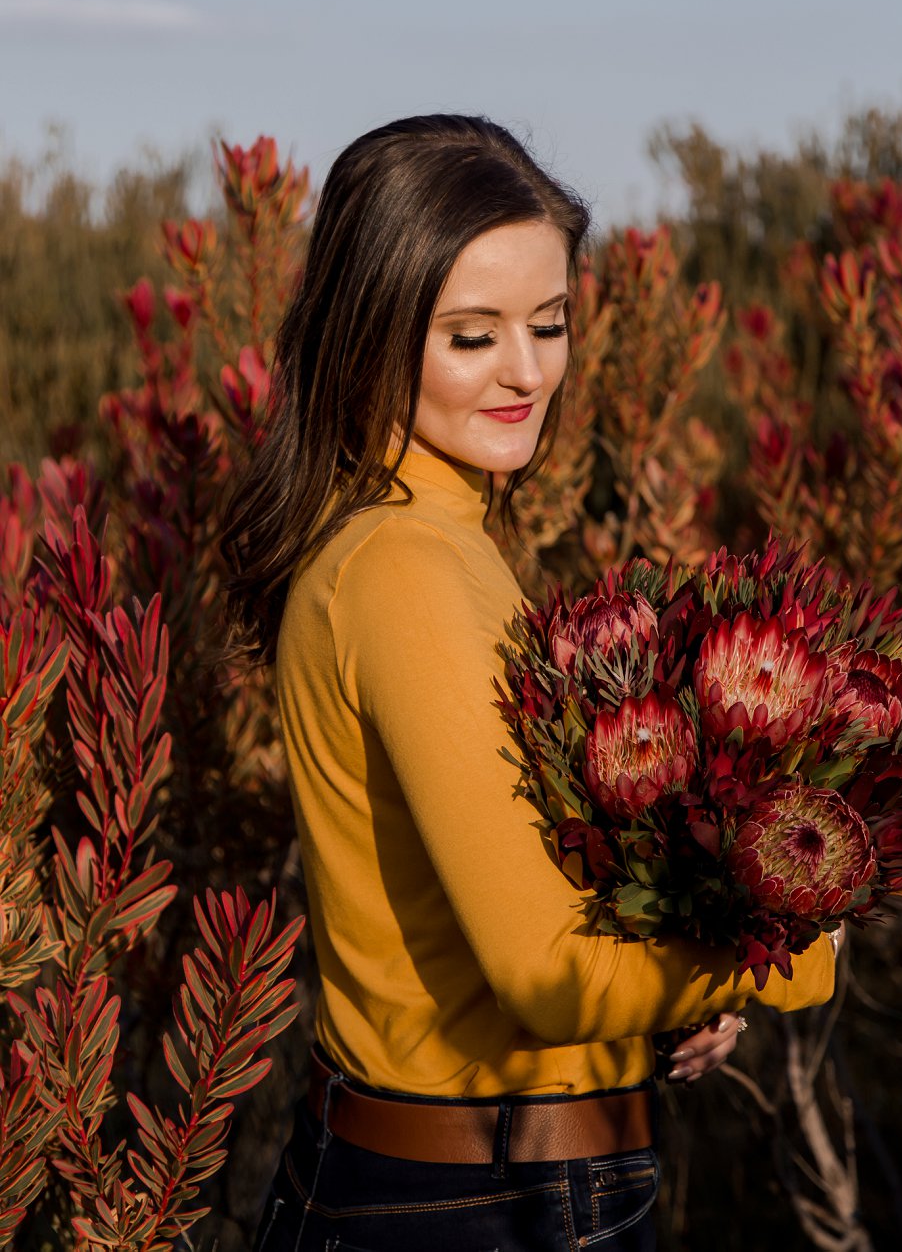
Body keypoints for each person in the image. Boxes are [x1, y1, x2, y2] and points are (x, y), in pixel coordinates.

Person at [222, 114, 839, 1252]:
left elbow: (512, 913)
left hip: (474, 1178)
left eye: (548, 323)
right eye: (472, 336)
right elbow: (547, 974)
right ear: (370, 335)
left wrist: (679, 989)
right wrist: (794, 952)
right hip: (478, 1205)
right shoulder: (404, 567)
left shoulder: (428, 537)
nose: (527, 370)